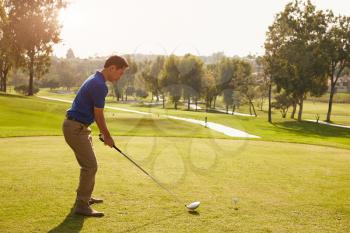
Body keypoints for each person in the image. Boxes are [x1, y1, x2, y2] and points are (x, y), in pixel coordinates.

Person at [62, 55, 128, 217]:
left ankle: (85, 197)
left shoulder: (95, 78)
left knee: (89, 165)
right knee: (90, 166)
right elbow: (99, 115)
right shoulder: (99, 85)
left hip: (80, 127)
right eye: (120, 73)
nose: (120, 77)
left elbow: (91, 110)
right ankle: (82, 204)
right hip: (75, 128)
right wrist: (107, 136)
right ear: (112, 68)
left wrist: (101, 132)